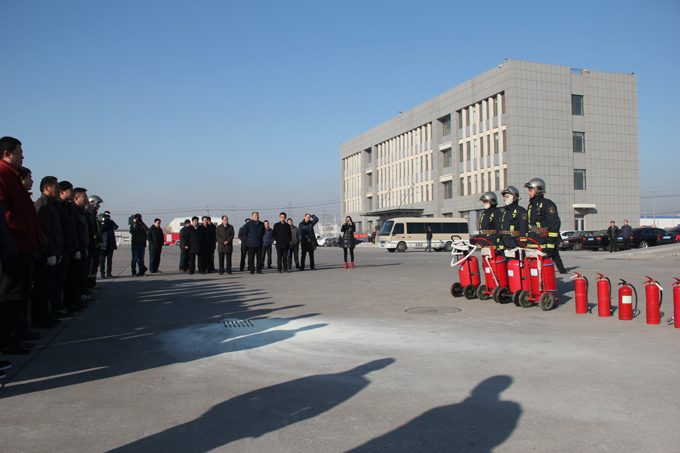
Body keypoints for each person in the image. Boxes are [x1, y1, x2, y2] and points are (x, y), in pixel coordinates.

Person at [0, 137, 42, 355]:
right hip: (14, 246)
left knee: (21, 294)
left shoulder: (13, 175)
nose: (22, 157)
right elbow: (4, 211)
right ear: (7, 154)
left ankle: (17, 334)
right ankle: (7, 340)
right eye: (19, 152)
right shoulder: (2, 174)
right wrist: (22, 228)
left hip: (24, 246)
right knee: (10, 295)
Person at [31, 176, 63, 329]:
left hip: (54, 252)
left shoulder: (51, 205)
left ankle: (46, 316)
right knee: (41, 288)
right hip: (46, 254)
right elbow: (44, 232)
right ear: (46, 188)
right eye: (56, 188)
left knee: (48, 288)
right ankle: (39, 319)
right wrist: (50, 252)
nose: (58, 191)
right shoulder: (43, 205)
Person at [523, 178, 567, 274]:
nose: (529, 193)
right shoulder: (531, 206)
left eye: (530, 190)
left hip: (543, 241)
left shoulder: (548, 204)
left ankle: (561, 271)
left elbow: (554, 224)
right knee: (533, 268)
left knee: (544, 268)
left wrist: (550, 244)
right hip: (533, 240)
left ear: (538, 189)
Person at [498, 186, 529, 252]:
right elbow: (502, 229)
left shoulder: (521, 211)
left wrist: (522, 246)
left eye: (507, 197)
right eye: (504, 197)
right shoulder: (505, 212)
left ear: (514, 197)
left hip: (516, 245)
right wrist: (500, 245)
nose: (505, 199)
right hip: (506, 245)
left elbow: (523, 229)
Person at [99, 210, 118, 278]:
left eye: (108, 216)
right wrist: (103, 222)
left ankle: (109, 273)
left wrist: (110, 222)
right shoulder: (101, 223)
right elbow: (101, 230)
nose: (107, 217)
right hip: (103, 245)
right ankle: (102, 273)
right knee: (102, 260)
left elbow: (116, 227)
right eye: (106, 216)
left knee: (109, 260)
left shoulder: (111, 222)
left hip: (110, 245)